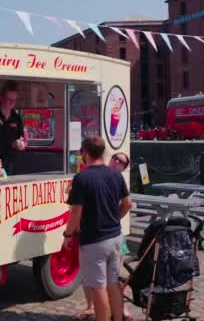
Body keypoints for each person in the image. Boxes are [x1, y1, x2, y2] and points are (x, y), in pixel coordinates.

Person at [63, 137, 133, 321]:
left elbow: (76, 212)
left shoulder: (82, 178)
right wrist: (113, 218)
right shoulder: (115, 175)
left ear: (85, 152)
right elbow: (127, 204)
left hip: (94, 241)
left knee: (98, 287)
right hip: (115, 237)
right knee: (113, 283)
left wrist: (68, 235)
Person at [0, 81, 25, 170]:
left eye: (14, 100)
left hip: (11, 161)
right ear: (2, 98)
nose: (12, 102)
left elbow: (21, 138)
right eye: (9, 99)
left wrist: (20, 144)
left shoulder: (16, 118)